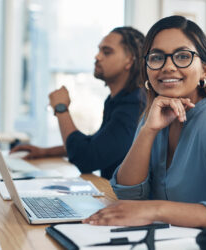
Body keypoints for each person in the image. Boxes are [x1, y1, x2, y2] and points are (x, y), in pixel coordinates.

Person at [82, 16, 206, 249]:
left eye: (183, 56)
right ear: (146, 69)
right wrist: (149, 131)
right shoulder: (153, 117)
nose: (168, 66)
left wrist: (155, 210)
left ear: (203, 70)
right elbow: (129, 197)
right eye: (157, 58)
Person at [10, 27, 146, 179]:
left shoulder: (134, 106)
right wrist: (45, 152)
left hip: (124, 200)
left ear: (129, 60)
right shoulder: (116, 100)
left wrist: (61, 109)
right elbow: (98, 144)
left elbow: (87, 159)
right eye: (99, 50)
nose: (97, 56)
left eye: (106, 52)